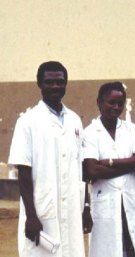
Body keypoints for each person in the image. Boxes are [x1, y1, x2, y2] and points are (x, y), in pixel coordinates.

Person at [8, 61, 86, 256]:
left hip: (72, 207)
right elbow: (23, 171)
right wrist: (31, 216)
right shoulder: (27, 121)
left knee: (71, 250)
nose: (55, 87)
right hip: (42, 208)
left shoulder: (74, 120)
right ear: (39, 84)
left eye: (60, 82)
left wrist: (86, 206)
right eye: (49, 82)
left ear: (66, 84)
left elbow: (80, 167)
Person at [83, 82, 135, 257]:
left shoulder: (131, 129)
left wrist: (110, 162)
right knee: (109, 249)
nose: (116, 107)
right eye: (111, 102)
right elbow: (92, 171)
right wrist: (131, 164)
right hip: (105, 202)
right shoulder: (90, 132)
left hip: (133, 200)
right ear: (99, 102)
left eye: (120, 103)